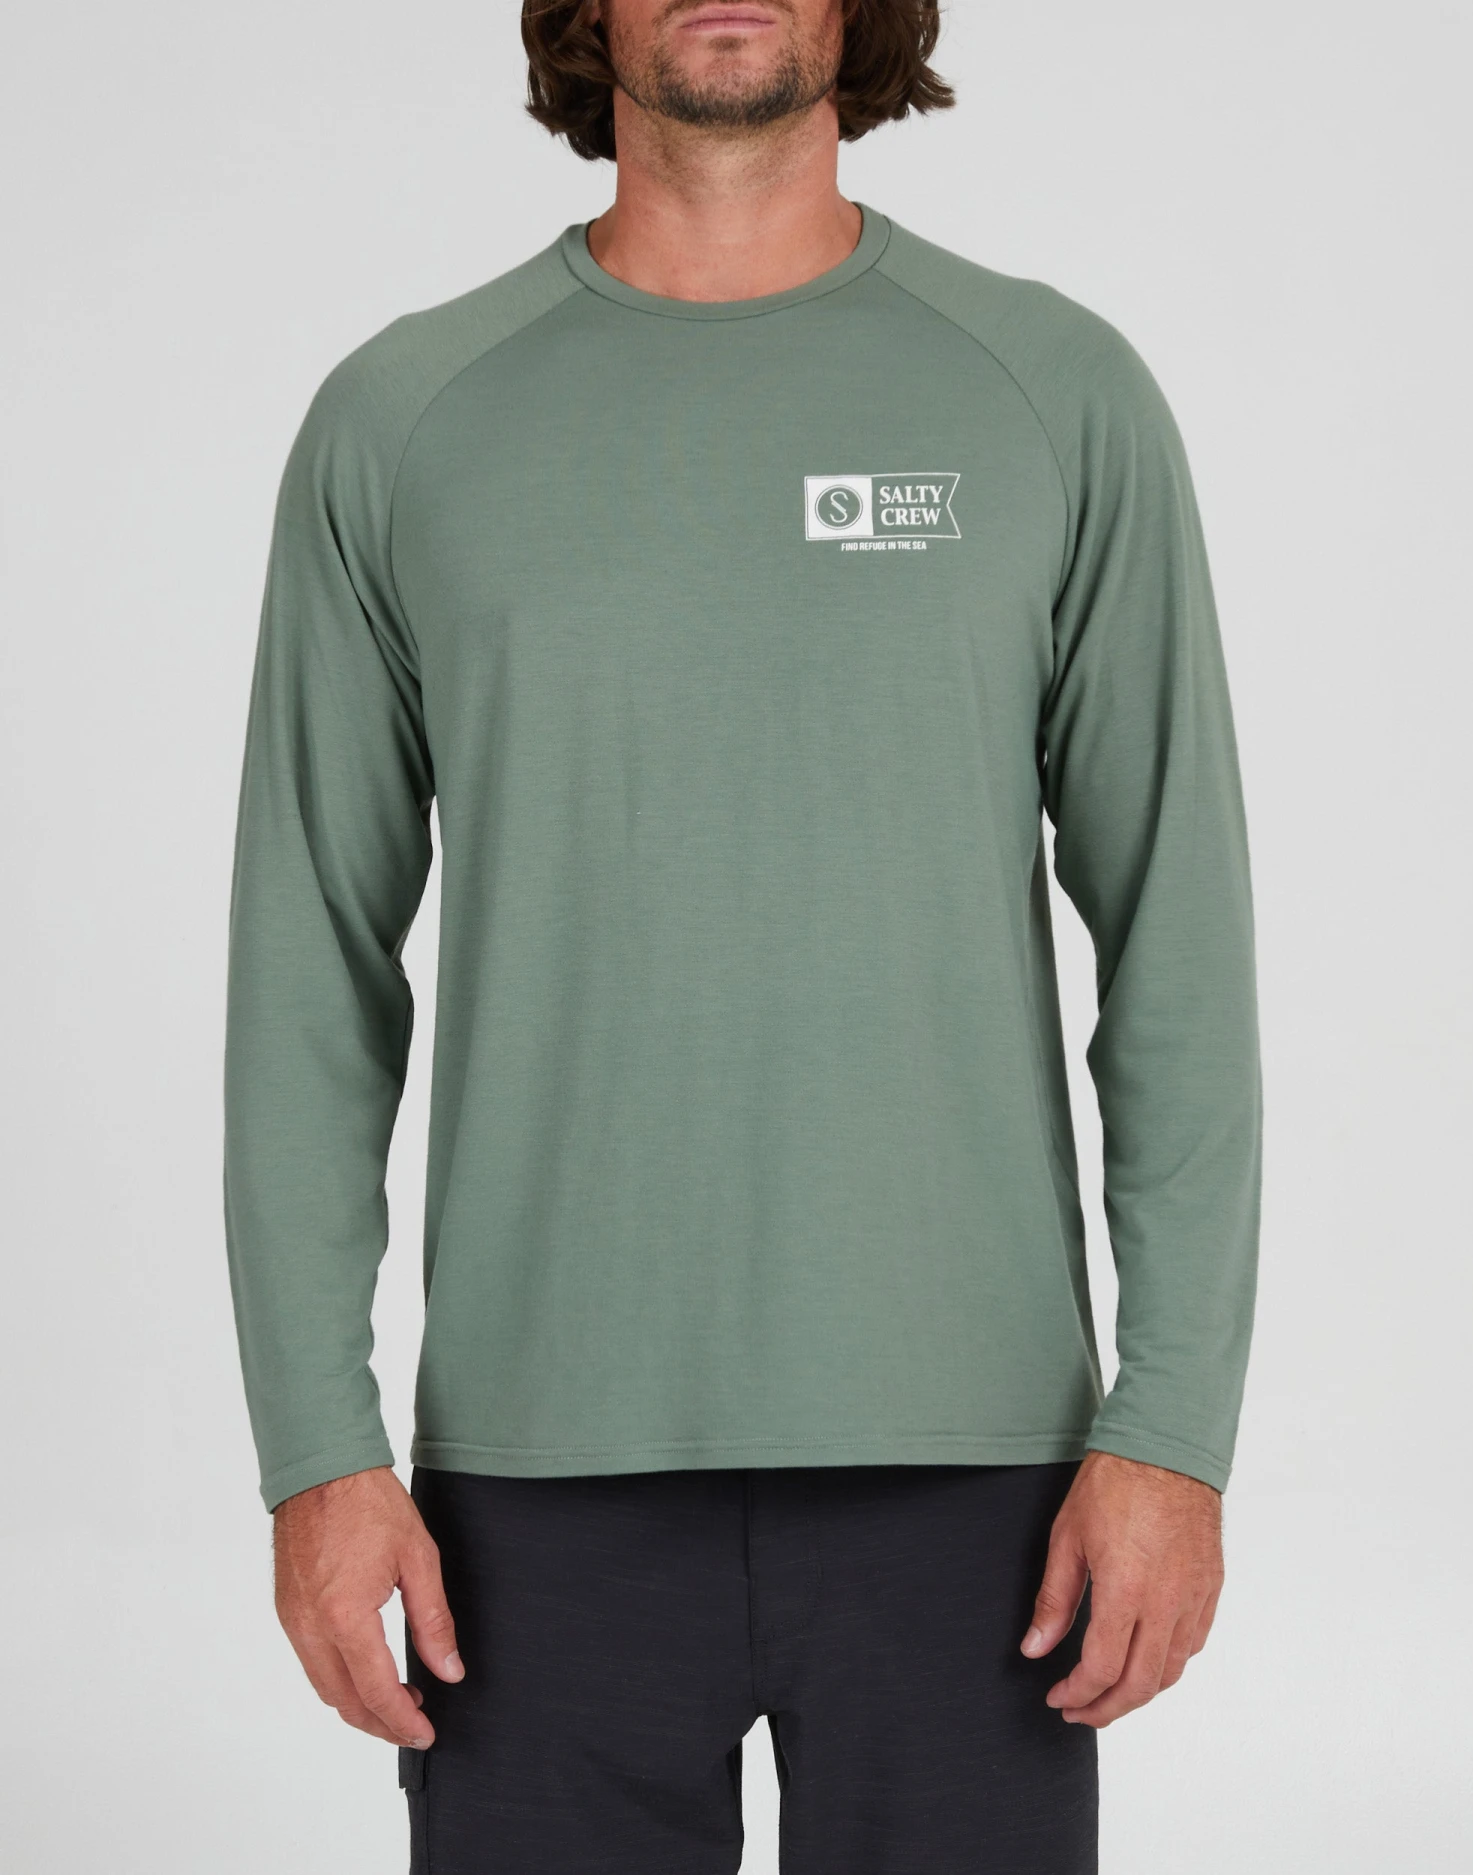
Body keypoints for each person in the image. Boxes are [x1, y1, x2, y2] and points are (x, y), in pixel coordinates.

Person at [223, 2, 1261, 1869]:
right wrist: (317, 1449)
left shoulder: (1053, 394)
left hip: (982, 1487)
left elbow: (1177, 944)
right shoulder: (405, 419)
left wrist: (1173, 1429)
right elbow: (308, 976)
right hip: (531, 1487)